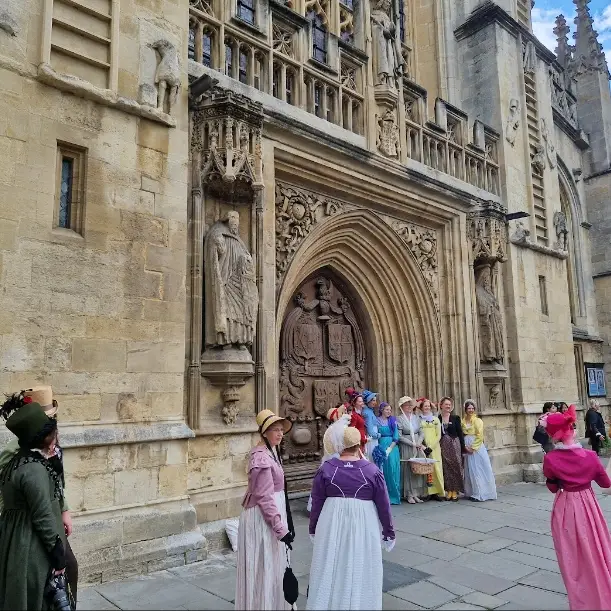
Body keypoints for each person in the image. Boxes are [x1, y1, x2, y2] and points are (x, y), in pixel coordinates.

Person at [307, 426, 395, 610]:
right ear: (361, 445)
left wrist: (313, 527)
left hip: (331, 521)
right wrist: (388, 532)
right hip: (363, 521)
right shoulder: (372, 471)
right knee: (360, 562)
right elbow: (384, 505)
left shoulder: (326, 469)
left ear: (340, 445)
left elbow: (317, 501)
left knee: (331, 562)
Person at [0, 392, 68, 610]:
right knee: (34, 596)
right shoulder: (34, 469)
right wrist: (58, 557)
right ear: (43, 438)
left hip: (17, 537)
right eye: (52, 435)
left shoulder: (20, 462)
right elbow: (42, 515)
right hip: (31, 543)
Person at [542, 405, 611, 610]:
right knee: (598, 548)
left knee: (572, 557)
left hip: (566, 506)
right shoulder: (590, 457)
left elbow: (553, 488)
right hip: (588, 505)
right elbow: (606, 484)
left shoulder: (551, 459)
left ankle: (582, 599)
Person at [235, 409, 294, 610]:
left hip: (271, 515)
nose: (279, 434)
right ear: (264, 433)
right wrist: (280, 529)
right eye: (275, 430)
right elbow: (264, 497)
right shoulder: (261, 458)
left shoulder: (271, 452)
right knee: (263, 565)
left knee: (272, 564)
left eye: (280, 430)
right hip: (262, 518)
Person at [307, 407, 351, 513]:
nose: (343, 414)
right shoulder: (341, 428)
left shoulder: (330, 429)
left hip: (329, 459)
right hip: (339, 458)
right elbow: (343, 444)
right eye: (341, 413)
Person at [462, 400, 497, 502]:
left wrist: (473, 447)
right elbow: (462, 434)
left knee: (478, 468)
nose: (471, 410)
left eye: (472, 408)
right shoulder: (463, 421)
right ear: (465, 409)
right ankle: (471, 491)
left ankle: (480, 493)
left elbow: (479, 435)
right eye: (469, 408)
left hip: (476, 446)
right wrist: (465, 446)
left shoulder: (478, 421)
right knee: (469, 469)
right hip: (467, 444)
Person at [397, 396, 427, 504]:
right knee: (408, 469)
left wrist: (419, 442)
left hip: (417, 445)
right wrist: (412, 443)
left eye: (410, 405)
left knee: (417, 468)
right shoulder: (399, 419)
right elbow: (399, 436)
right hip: (407, 445)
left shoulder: (416, 417)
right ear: (402, 407)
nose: (409, 407)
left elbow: (421, 431)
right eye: (407, 405)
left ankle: (416, 493)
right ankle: (409, 494)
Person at [438, 397, 465, 501]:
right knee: (446, 468)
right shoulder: (438, 418)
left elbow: (460, 433)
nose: (448, 406)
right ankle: (449, 490)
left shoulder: (455, 418)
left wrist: (463, 448)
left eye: (449, 405)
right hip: (444, 445)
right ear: (441, 406)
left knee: (456, 466)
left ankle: (455, 490)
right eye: (446, 404)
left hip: (454, 444)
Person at [375, 402, 401, 505]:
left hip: (392, 447)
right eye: (387, 409)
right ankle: (384, 496)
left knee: (393, 470)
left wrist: (390, 448)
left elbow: (396, 436)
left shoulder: (393, 421)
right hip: (381, 446)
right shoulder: (377, 421)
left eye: (390, 410)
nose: (389, 411)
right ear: (381, 410)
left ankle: (394, 496)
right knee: (383, 471)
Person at [419, 398, 444, 500]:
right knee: (426, 469)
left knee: (436, 468)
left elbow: (439, 435)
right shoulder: (419, 420)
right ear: (421, 408)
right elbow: (418, 433)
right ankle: (428, 492)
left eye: (429, 406)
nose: (427, 408)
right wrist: (423, 446)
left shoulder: (435, 419)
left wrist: (431, 447)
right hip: (423, 447)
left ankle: (439, 491)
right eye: (425, 406)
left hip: (434, 447)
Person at [361, 390, 380, 460]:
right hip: (371, 439)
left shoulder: (370, 411)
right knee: (372, 457)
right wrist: (378, 435)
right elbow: (370, 430)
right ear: (368, 401)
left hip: (373, 438)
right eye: (373, 401)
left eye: (375, 400)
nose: (375, 403)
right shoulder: (367, 413)